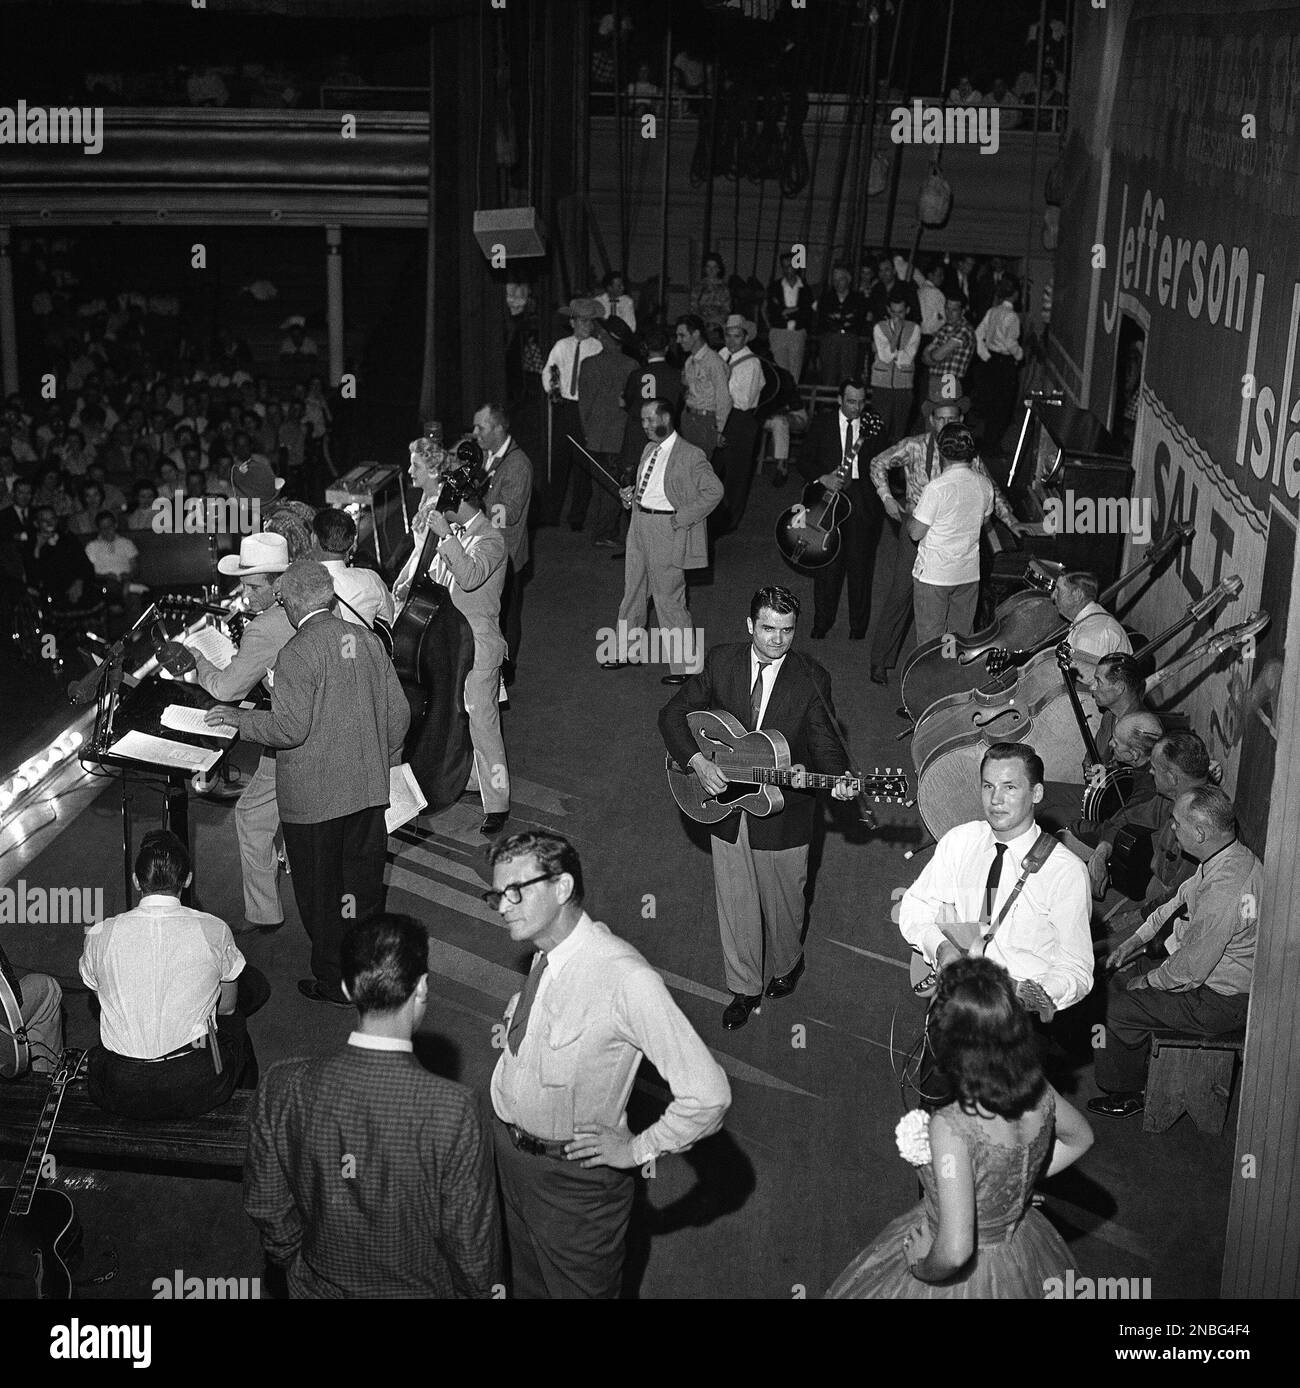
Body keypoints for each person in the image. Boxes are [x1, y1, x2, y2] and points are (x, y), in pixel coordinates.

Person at [486, 831, 731, 1298]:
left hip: (574, 1188)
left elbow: (709, 1095)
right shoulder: (547, 955)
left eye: (516, 891)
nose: (503, 905)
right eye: (498, 894)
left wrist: (637, 1149)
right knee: (524, 1285)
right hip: (511, 1165)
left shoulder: (625, 979)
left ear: (561, 888)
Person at [244, 914, 502, 1298]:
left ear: (347, 989)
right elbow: (473, 1248)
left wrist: (299, 1265)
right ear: (422, 988)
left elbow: (267, 1204)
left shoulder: (281, 1085)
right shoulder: (456, 1111)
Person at [826, 957, 1093, 1297]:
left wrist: (920, 1267)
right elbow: (1081, 1138)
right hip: (1020, 1245)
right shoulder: (1039, 1090)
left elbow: (954, 1252)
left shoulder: (951, 1127)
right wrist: (1012, 1186)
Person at [206, 560, 409, 1006]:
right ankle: (369, 971)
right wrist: (383, 760)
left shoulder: (298, 653)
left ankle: (335, 981)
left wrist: (241, 719)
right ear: (329, 595)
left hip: (315, 805)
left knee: (322, 897)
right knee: (361, 890)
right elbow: (399, 715)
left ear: (290, 602)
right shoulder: (368, 641)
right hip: (368, 795)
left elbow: (288, 730)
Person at [659, 586, 857, 1028]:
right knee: (735, 901)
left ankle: (787, 963)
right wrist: (695, 760)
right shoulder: (721, 661)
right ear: (750, 625)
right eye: (767, 628)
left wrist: (839, 777)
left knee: (785, 903)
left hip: (784, 811)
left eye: (787, 631)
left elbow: (824, 742)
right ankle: (743, 988)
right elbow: (671, 716)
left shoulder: (812, 677)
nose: (777, 640)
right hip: (725, 807)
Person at [1089, 787, 1259, 1119]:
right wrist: (1131, 943)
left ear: (1200, 832)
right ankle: (1130, 1046)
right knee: (1114, 972)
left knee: (1110, 1005)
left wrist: (1148, 981)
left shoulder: (1226, 892)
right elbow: (1174, 904)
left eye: (1176, 822)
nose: (1172, 829)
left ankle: (1128, 1090)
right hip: (1207, 979)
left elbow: (1188, 972)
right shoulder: (1225, 856)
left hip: (1221, 1001)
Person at [79, 830, 268, 1118]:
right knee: (235, 1024)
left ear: (135, 880)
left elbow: (100, 996)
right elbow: (227, 1008)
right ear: (188, 878)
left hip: (119, 1086)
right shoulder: (213, 929)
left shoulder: (99, 933)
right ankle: (244, 1101)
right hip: (196, 1081)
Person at [899, 742, 1094, 1019]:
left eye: (1009, 787)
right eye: (988, 786)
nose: (995, 799)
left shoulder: (1065, 872)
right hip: (955, 1007)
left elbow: (1076, 970)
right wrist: (940, 948)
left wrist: (1026, 995)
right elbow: (916, 905)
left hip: (1014, 1020)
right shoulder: (961, 841)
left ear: (1036, 793)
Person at [392, 453, 511, 835]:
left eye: (447, 503)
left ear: (461, 503)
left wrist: (444, 536)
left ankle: (498, 803)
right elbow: (436, 579)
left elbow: (471, 576)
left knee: (482, 723)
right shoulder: (456, 536)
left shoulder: (492, 539)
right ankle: (459, 780)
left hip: (477, 645)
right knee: (445, 717)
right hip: (445, 644)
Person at [867, 398, 1019, 681]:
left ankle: (941, 677)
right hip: (916, 530)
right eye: (940, 418)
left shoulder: (968, 454)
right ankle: (881, 660)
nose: (946, 424)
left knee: (947, 614)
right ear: (932, 420)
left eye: (952, 418)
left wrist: (1012, 521)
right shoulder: (914, 446)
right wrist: (886, 497)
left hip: (953, 539)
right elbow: (877, 463)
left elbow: (991, 490)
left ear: (960, 418)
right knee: (901, 594)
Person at [191, 532, 296, 913]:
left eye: (252, 585)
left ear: (278, 583)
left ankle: (264, 914)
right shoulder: (309, 606)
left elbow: (226, 689)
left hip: (288, 735)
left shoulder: (265, 627)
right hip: (315, 726)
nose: (244, 593)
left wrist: (199, 660)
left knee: (251, 814)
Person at [601, 398, 722, 683]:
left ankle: (686, 667)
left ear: (666, 418)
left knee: (669, 597)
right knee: (633, 589)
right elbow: (651, 485)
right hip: (639, 523)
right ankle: (625, 650)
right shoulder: (648, 448)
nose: (644, 426)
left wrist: (684, 517)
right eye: (642, 420)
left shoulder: (691, 454)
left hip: (666, 527)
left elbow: (714, 491)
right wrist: (630, 497)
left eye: (649, 420)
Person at [1081, 729, 1217, 911]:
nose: (1150, 772)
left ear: (1171, 778)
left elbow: (1178, 897)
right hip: (1152, 892)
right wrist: (1101, 853)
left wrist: (1134, 921)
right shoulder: (1169, 799)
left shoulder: (1201, 825)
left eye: (1154, 768)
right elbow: (1126, 817)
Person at [797, 381, 885, 641]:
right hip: (828, 500)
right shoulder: (822, 423)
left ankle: (858, 627)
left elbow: (884, 463)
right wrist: (822, 477)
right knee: (827, 563)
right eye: (851, 402)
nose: (856, 408)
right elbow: (803, 461)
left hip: (861, 499)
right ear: (839, 399)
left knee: (861, 567)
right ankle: (822, 622)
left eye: (860, 402)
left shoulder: (873, 426)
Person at [908, 422, 995, 645]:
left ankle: (931, 680)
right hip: (967, 574)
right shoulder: (985, 485)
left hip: (935, 576)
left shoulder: (937, 488)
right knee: (958, 639)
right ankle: (953, 677)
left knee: (931, 642)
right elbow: (984, 520)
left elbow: (916, 533)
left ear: (941, 452)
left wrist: (911, 514)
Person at [471, 402, 534, 681]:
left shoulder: (518, 465)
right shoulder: (488, 454)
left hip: (507, 556)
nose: (475, 433)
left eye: (480, 427)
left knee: (506, 617)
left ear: (498, 428)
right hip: (489, 551)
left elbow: (508, 511)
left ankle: (506, 671)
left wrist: (473, 508)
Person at [541, 298, 603, 529]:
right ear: (573, 322)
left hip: (585, 409)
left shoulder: (597, 347)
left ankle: (577, 516)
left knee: (582, 465)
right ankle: (551, 514)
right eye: (583, 321)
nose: (588, 326)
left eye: (591, 322)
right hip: (565, 406)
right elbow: (549, 370)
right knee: (558, 462)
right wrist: (553, 392)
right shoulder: (562, 345)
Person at [579, 318, 636, 548]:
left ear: (606, 338)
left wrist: (586, 431)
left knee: (600, 486)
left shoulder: (589, 364)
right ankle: (606, 531)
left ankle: (602, 530)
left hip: (595, 434)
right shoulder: (632, 366)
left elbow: (584, 403)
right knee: (617, 485)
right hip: (620, 435)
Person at [1052, 571, 1132, 729]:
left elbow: (1084, 694)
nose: (1052, 596)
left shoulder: (1093, 634)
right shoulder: (1090, 623)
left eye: (1058, 590)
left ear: (1077, 594)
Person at [714, 314, 764, 533]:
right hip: (722, 415)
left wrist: (718, 387)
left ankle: (731, 520)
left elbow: (742, 400)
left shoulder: (751, 363)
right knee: (714, 468)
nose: (731, 341)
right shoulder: (722, 354)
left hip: (740, 420)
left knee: (736, 474)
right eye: (728, 335)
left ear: (745, 338)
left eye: (736, 336)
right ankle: (714, 514)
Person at [310, 507, 393, 630]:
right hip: (360, 648)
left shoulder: (300, 584)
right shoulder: (371, 580)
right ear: (351, 545)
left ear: (314, 539)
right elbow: (391, 616)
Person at [974, 278, 1024, 457]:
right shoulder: (1012, 316)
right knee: (1003, 406)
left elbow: (978, 334)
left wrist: (985, 356)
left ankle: (988, 440)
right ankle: (992, 445)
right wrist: (1019, 355)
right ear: (1016, 294)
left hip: (992, 361)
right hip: (1006, 363)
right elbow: (1011, 342)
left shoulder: (992, 311)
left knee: (992, 403)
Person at [674, 313, 730, 461]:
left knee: (699, 468)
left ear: (696, 334)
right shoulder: (689, 361)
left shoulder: (713, 362)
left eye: (682, 335)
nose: (678, 340)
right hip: (689, 418)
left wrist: (720, 429)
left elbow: (723, 397)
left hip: (705, 421)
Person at [870, 289, 922, 444]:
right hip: (881, 385)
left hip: (904, 387)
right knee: (879, 430)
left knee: (899, 432)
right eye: (893, 312)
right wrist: (896, 335)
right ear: (888, 310)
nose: (897, 317)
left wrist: (893, 351)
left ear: (907, 310)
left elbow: (907, 358)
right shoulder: (879, 328)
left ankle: (895, 466)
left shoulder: (915, 329)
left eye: (900, 312)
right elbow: (885, 357)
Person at [765, 249, 815, 382]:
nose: (788, 270)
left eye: (791, 266)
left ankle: (792, 402)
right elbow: (772, 311)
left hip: (797, 334)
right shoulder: (774, 287)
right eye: (785, 266)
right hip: (779, 333)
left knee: (794, 375)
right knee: (780, 374)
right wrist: (792, 311)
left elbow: (806, 312)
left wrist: (786, 312)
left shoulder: (805, 288)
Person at [814, 263, 868, 387]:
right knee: (828, 375)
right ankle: (826, 405)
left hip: (849, 340)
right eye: (835, 280)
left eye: (841, 279)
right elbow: (823, 320)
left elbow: (858, 320)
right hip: (830, 340)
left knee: (847, 376)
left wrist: (839, 319)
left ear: (848, 280)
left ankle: (845, 404)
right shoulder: (826, 298)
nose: (838, 283)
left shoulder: (857, 298)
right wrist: (844, 319)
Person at [921, 290, 976, 404]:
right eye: (947, 308)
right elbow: (926, 360)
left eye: (954, 310)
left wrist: (928, 353)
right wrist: (930, 355)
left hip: (949, 381)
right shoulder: (943, 328)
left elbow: (936, 356)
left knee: (946, 416)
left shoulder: (964, 329)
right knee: (932, 417)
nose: (949, 313)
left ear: (963, 311)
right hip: (935, 379)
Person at [689, 252, 731, 346]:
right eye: (708, 267)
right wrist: (704, 320)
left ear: (719, 269)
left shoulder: (724, 288)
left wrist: (717, 320)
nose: (711, 270)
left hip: (718, 326)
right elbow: (693, 308)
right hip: (701, 326)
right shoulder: (698, 286)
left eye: (714, 267)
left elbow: (726, 309)